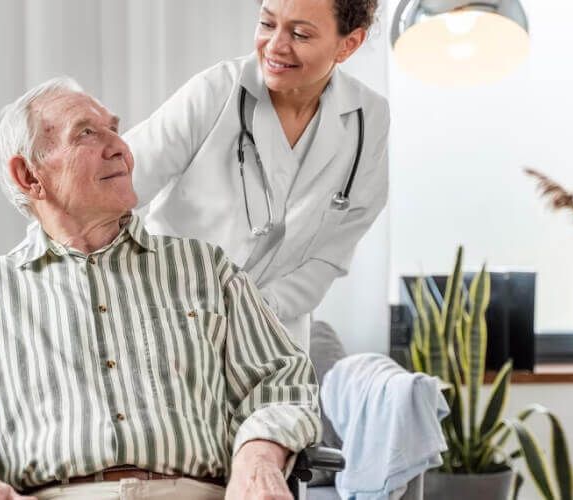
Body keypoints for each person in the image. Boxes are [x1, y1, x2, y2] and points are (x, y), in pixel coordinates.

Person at [0, 77, 321, 500]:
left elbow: (283, 380)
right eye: (87, 134)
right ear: (29, 176)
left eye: (115, 130)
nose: (121, 149)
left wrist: (258, 458)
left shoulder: (207, 269)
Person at [124, 0, 388, 350]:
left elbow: (330, 254)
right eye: (267, 24)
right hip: (173, 325)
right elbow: (112, 186)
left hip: (274, 341)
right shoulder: (218, 91)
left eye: (300, 34)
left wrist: (256, 310)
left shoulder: (367, 118)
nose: (275, 45)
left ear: (349, 44)